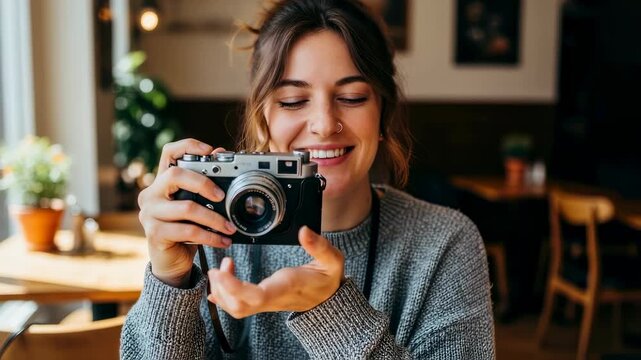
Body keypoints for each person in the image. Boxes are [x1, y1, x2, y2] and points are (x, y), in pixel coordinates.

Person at [121, 0, 495, 358]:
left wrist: (329, 308)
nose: (323, 125)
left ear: (383, 115)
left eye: (351, 97)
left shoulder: (445, 244)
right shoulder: (212, 232)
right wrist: (169, 279)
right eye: (293, 101)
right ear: (262, 119)